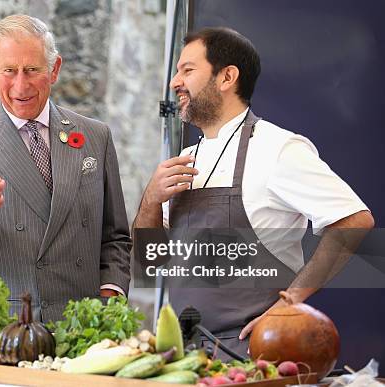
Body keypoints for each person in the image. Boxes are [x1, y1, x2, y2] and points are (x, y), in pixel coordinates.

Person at [133, 27, 374, 357]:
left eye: (187, 70)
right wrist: (151, 199)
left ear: (227, 77)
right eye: (177, 72)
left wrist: (290, 304)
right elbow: (151, 262)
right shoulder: (185, 160)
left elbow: (354, 221)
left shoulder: (278, 149)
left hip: (255, 353)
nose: (175, 82)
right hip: (185, 354)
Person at [0, 14, 131, 322]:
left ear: (54, 70)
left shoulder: (96, 136)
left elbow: (115, 236)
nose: (20, 85)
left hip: (84, 327)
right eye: (9, 71)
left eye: (32, 70)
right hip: (9, 330)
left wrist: (111, 294)